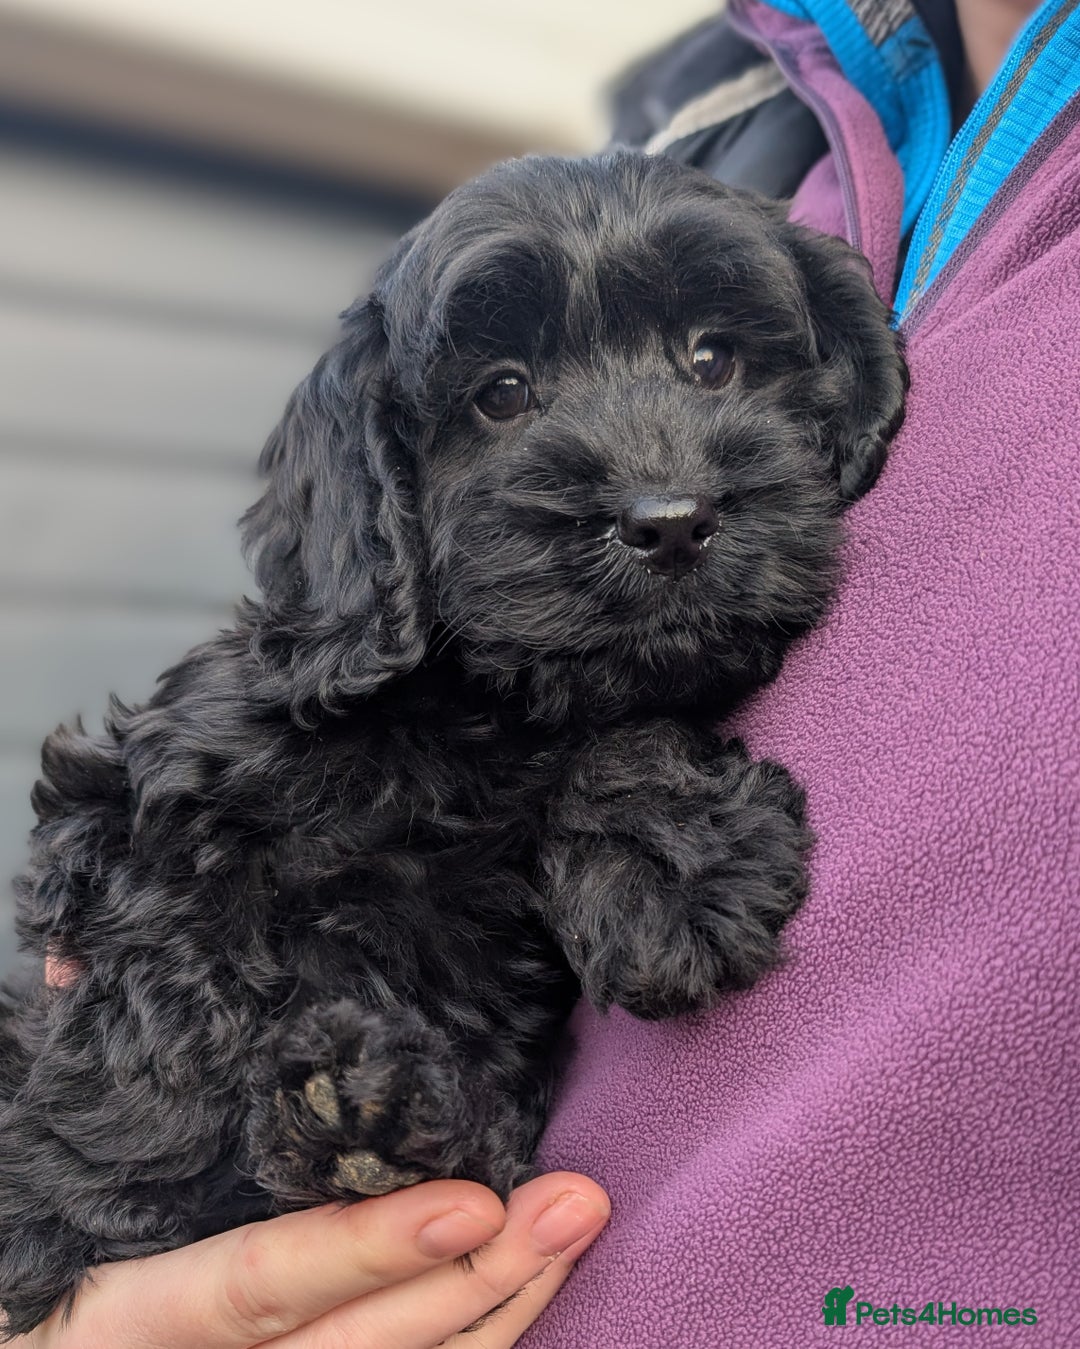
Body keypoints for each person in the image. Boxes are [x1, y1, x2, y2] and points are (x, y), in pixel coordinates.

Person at [11, 0, 1078, 1343]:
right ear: (384, 487)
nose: (660, 479)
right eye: (505, 394)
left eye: (715, 360)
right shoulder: (731, 118)